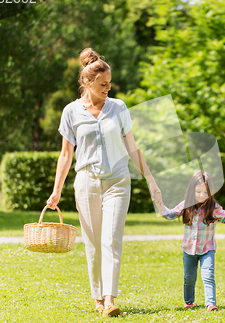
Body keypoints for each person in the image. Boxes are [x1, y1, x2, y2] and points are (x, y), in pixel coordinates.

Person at [46, 48, 160, 318]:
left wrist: (151, 181)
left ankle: (109, 299)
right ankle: (97, 297)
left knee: (111, 240)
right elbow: (66, 154)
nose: (108, 88)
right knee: (93, 243)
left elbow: (132, 148)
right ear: (87, 82)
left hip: (117, 182)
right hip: (86, 183)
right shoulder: (71, 112)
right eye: (103, 84)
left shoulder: (118, 108)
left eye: (109, 83)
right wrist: (56, 190)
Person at [154, 171, 225, 311]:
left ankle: (211, 304)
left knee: (208, 276)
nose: (202, 196)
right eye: (198, 192)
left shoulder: (213, 208)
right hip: (188, 250)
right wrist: (159, 203)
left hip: (207, 250)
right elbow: (170, 214)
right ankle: (189, 302)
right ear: (192, 191)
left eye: (206, 192)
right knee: (189, 278)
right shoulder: (186, 205)